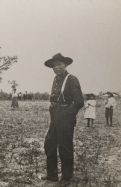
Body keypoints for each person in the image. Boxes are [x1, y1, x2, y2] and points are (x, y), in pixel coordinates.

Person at [41, 53, 84, 186]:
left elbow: (79, 101)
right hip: (54, 115)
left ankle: (67, 177)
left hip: (65, 116)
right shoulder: (56, 79)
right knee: (49, 144)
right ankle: (52, 175)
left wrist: (68, 114)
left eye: (59, 64)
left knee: (65, 146)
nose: (56, 67)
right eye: (54, 65)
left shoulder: (72, 79)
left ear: (65, 65)